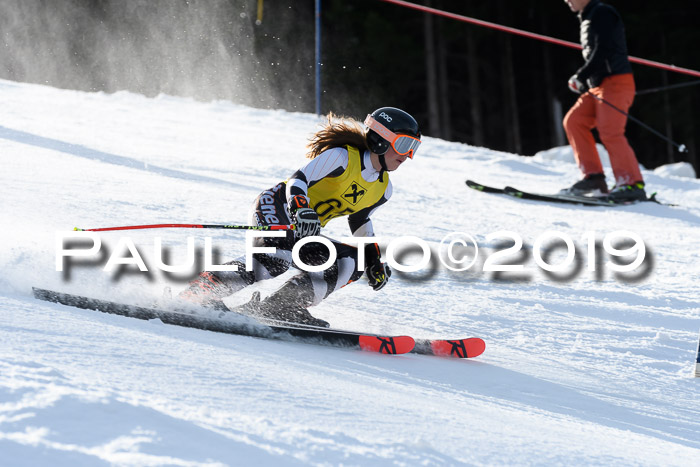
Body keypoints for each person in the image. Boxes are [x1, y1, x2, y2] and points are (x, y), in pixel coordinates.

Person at [177, 107, 422, 327]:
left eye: (413, 148)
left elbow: (360, 221)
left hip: (305, 229)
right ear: (379, 141)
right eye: (403, 145)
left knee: (351, 262)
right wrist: (300, 207)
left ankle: (281, 307)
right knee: (276, 258)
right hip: (276, 206)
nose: (407, 155)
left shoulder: (383, 189)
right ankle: (202, 292)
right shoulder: (342, 157)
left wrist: (373, 259)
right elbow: (298, 180)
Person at [561, 0, 646, 201]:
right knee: (574, 121)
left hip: (617, 82)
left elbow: (604, 48)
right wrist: (587, 78)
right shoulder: (588, 17)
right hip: (599, 85)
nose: (567, 0)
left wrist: (581, 75)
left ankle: (632, 183)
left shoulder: (603, 13)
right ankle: (594, 178)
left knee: (610, 132)